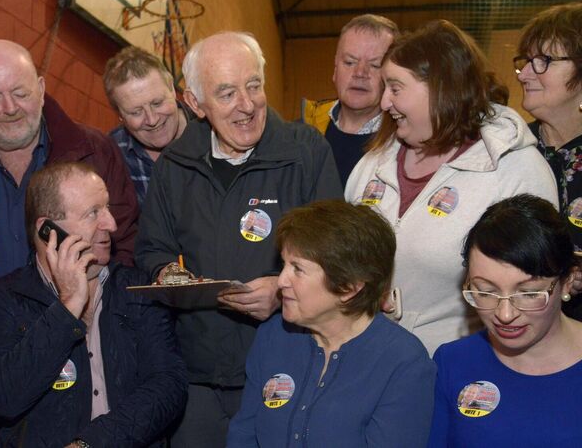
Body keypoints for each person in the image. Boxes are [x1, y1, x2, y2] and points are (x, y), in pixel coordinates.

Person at [136, 31, 342, 447]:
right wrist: (168, 276)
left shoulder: (306, 153)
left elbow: (335, 253)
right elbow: (150, 250)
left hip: (287, 368)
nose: (247, 106)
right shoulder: (175, 166)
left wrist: (284, 290)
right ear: (195, 103)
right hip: (197, 378)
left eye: (254, 86)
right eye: (227, 93)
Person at [344, 20, 558, 355]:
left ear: (440, 90)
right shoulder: (374, 163)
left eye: (396, 88)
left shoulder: (514, 170)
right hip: (375, 363)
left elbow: (534, 295)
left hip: (467, 370)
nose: (384, 102)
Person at [0, 162, 186, 447]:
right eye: (93, 213)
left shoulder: (138, 289)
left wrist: (93, 443)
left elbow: (168, 388)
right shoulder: (4, 298)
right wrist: (67, 308)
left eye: (108, 208)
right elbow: (4, 399)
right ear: (48, 230)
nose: (111, 224)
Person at [0, 39, 138, 288]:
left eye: (21, 94)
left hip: (84, 319)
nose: (11, 108)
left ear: (41, 88)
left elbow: (126, 245)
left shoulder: (95, 152)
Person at [228, 200, 435, 447]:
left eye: (298, 269)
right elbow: (244, 435)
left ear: (349, 286)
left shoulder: (403, 361)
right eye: (284, 264)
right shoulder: (274, 336)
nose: (280, 280)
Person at [428, 194, 582, 447]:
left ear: (568, 280)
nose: (505, 315)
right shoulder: (453, 362)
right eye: (485, 291)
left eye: (528, 294)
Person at [514, 2, 582, 332]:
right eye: (526, 61)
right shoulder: (507, 148)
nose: (525, 73)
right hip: (512, 334)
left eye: (543, 61)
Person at [302, 14, 398, 187]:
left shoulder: (405, 145)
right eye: (350, 62)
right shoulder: (302, 133)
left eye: (375, 65)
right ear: (335, 69)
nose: (360, 73)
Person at [104, 46, 193, 206]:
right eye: (136, 112)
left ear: (172, 89)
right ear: (120, 115)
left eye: (157, 103)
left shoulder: (213, 133)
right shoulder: (112, 155)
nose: (152, 120)